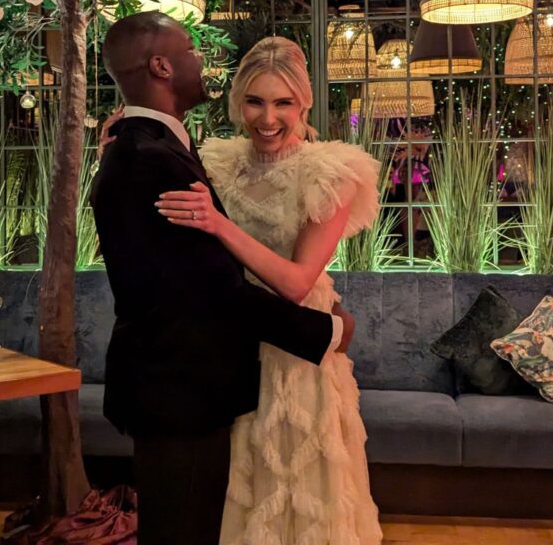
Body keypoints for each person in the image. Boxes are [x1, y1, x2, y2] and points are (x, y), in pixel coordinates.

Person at [106, 35, 384, 544]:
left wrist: (220, 225)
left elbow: (296, 284)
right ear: (238, 101)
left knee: (297, 499)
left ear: (304, 103)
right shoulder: (215, 161)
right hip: (224, 351)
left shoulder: (330, 174)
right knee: (229, 501)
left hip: (293, 354)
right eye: (255, 101)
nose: (268, 118)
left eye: (284, 103)